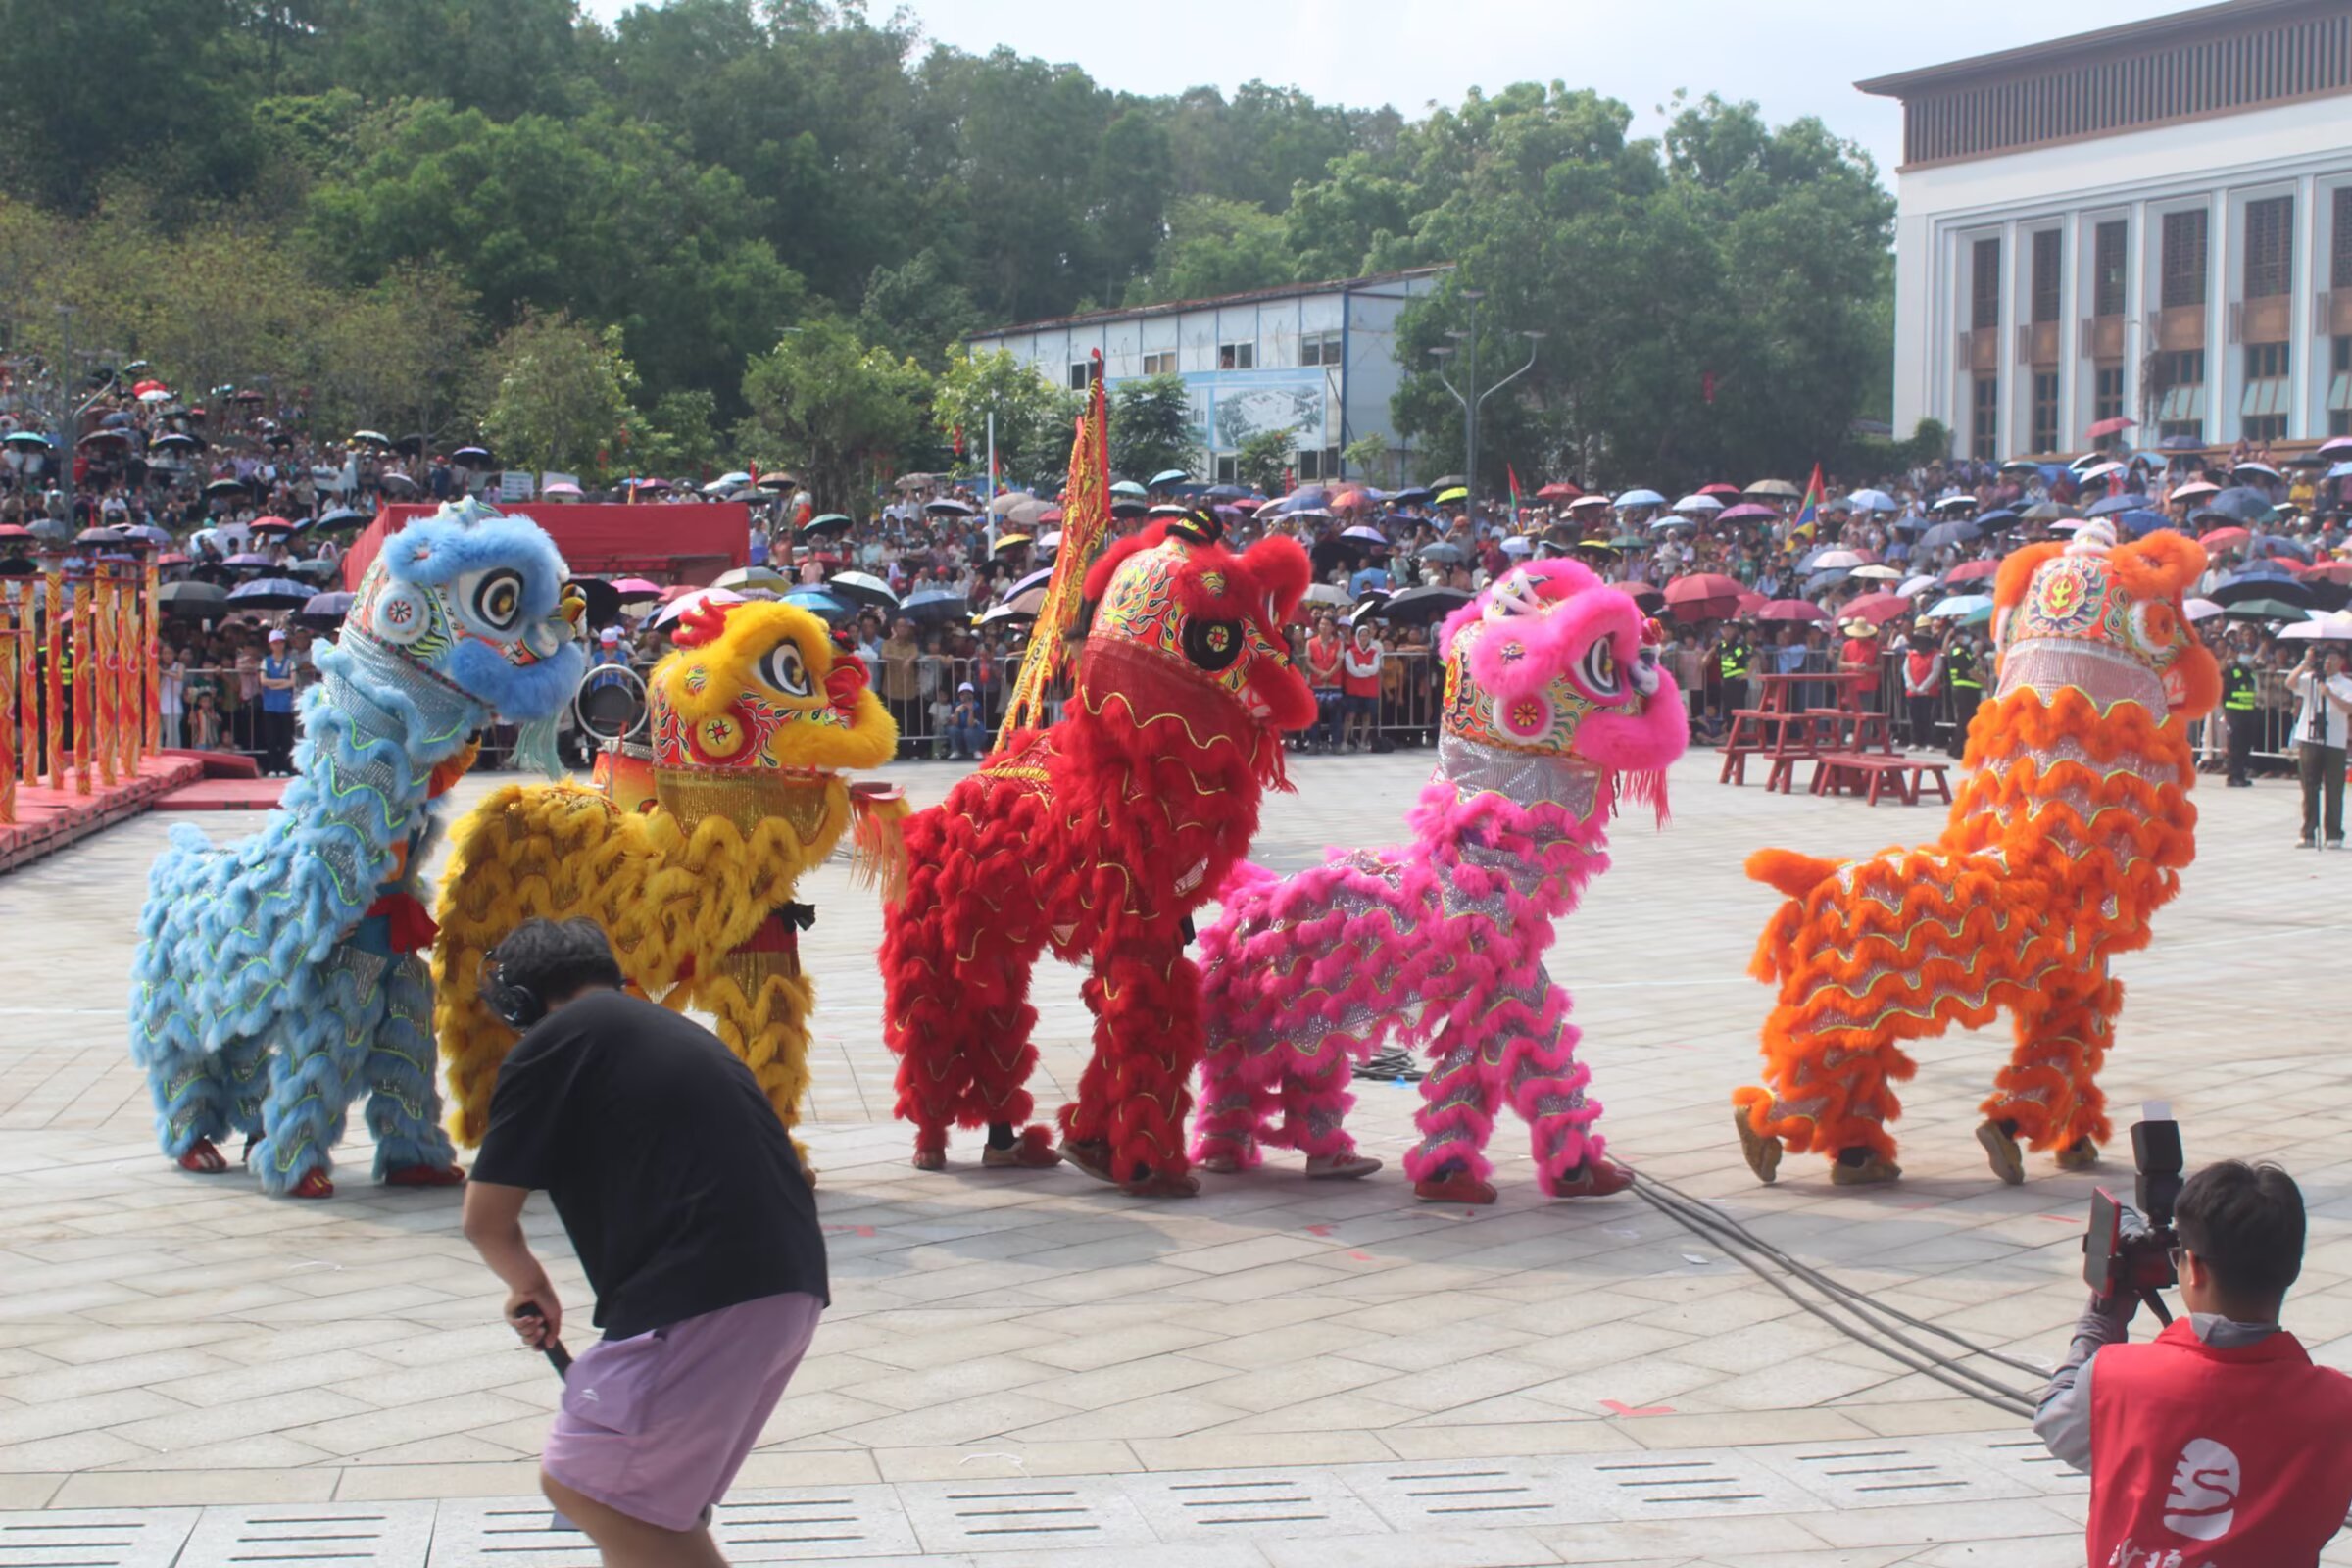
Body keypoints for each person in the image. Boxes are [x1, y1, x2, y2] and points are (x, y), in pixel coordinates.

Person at [463, 918, 828, 1568]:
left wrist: (529, 1285)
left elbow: (486, 1218)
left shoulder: (552, 1044)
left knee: (591, 1486)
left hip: (702, 1293)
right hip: (782, 1285)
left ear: (522, 1002)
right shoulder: (672, 1032)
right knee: (645, 1506)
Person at [2034, 1161, 2352, 1565]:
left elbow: (2055, 1423)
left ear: (2194, 1268)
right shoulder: (2339, 1406)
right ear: (2293, 1268)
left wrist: (2100, 1321)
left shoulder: (2118, 1377)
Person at [2288, 646, 2351, 849]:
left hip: (2334, 740)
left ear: (2341, 662)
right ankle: (2308, 832)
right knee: (2309, 785)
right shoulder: (2312, 678)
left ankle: (2333, 833)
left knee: (2334, 787)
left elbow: (2348, 708)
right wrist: (2304, 662)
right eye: (2325, 659)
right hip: (2309, 737)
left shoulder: (2345, 683)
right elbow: (2290, 683)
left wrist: (2330, 694)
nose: (2328, 663)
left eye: (2333, 659)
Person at [257, 629, 298, 776]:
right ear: (270, 645)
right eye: (275, 643)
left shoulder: (290, 662)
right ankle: (273, 768)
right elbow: (263, 681)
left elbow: (292, 682)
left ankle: (285, 768)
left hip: (286, 706)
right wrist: (282, 681)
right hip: (270, 705)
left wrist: (274, 685)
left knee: (286, 739)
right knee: (272, 739)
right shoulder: (266, 661)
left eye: (280, 642)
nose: (278, 645)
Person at [2221, 643, 2262, 787]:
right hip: (2235, 712)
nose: (2247, 656)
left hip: (2248, 713)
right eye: (2244, 653)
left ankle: (2241, 775)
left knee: (2245, 745)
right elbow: (2224, 692)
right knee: (2235, 746)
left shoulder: (2249, 672)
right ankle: (2233, 776)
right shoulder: (2232, 670)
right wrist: (2225, 711)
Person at [1303, 612, 1344, 753]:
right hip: (1317, 683)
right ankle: (1314, 743)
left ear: (1332, 627)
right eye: (1321, 624)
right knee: (1315, 715)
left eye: (1327, 625)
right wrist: (1320, 673)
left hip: (1334, 683)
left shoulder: (1338, 643)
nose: (1324, 627)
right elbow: (1308, 661)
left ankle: (1336, 744)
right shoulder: (1311, 642)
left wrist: (1329, 673)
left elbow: (1339, 662)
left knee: (1336, 716)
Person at [1900, 620, 1943, 752]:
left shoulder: (1935, 655)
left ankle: (1929, 741)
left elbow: (1935, 672)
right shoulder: (1911, 655)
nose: (1921, 644)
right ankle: (1914, 741)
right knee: (1914, 717)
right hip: (1912, 691)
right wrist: (1910, 684)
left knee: (1928, 718)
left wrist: (1923, 687)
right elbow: (1906, 671)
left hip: (1929, 692)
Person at [1341, 619, 1383, 753]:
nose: (1364, 638)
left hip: (1370, 690)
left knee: (1367, 717)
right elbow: (1352, 670)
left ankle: (1363, 742)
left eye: (1366, 635)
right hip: (1354, 689)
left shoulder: (1374, 652)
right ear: (1357, 637)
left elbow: (1375, 669)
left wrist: (1363, 668)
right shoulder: (1350, 652)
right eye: (1361, 635)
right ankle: (1344, 741)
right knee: (1350, 716)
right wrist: (1367, 670)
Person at [1944, 629, 1984, 759]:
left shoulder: (1967, 653)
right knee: (1964, 721)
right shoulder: (1958, 652)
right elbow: (1971, 671)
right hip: (1964, 691)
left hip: (1970, 691)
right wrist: (1987, 683)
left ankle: (1959, 748)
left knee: (1968, 720)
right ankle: (1957, 749)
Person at [943, 680, 986, 760]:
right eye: (963, 694)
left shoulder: (977, 706)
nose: (965, 696)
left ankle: (975, 750)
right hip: (961, 735)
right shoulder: (956, 705)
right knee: (952, 729)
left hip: (975, 735)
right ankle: (956, 751)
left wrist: (970, 710)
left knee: (968, 730)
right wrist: (956, 712)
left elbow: (971, 725)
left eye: (968, 694)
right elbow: (954, 724)